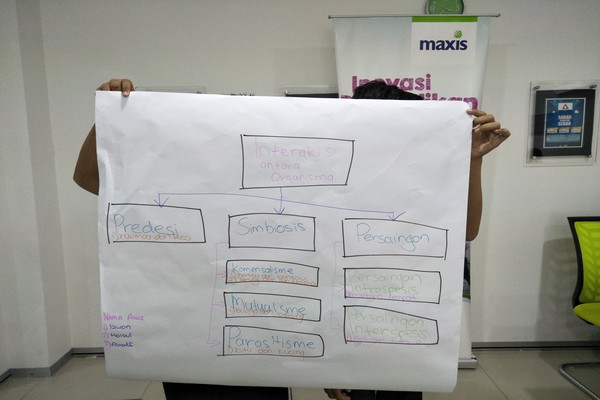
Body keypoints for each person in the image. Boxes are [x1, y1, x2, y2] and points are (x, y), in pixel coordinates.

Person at [74, 78, 510, 400]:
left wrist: (471, 160)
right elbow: (91, 179)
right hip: (237, 334)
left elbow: (464, 231)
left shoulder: (408, 188)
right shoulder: (300, 172)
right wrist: (112, 121)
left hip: (375, 326)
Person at [324, 81, 510, 400]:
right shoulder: (337, 177)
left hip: (407, 312)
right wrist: (328, 365)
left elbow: (467, 231)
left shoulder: (424, 175)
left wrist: (473, 159)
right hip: (350, 314)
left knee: (403, 390)